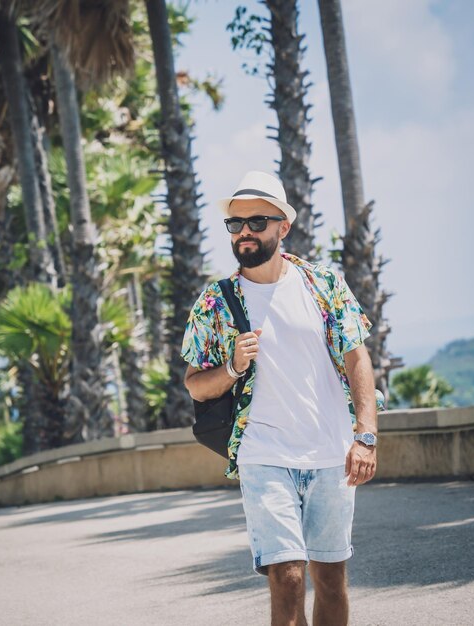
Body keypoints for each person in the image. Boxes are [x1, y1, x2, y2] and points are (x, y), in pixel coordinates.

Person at [181, 171, 383, 626]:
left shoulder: (323, 285)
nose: (245, 232)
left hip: (331, 454)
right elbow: (194, 384)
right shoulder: (216, 302)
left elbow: (358, 360)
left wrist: (365, 436)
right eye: (235, 224)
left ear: (283, 226)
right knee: (287, 576)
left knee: (331, 580)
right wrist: (232, 367)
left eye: (256, 221)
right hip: (263, 455)